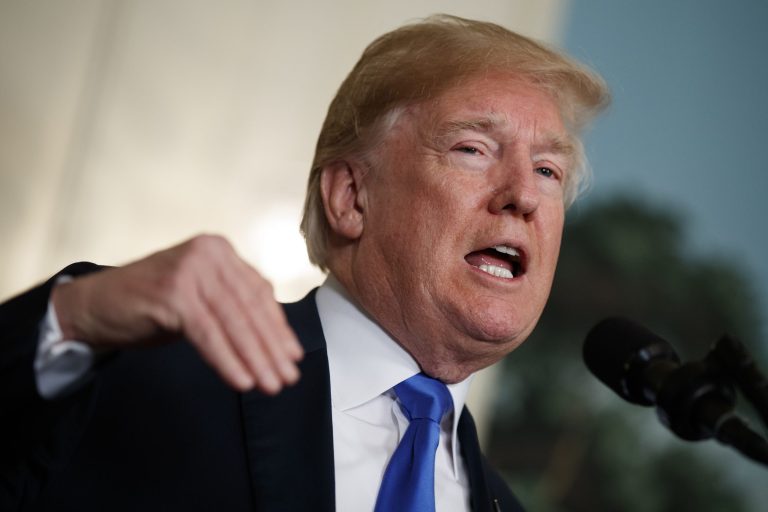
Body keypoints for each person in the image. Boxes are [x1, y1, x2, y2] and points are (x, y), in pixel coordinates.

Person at [0, 14, 609, 512]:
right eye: (473, 148)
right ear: (350, 197)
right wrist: (72, 317)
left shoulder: (502, 505)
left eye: (548, 171)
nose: (524, 196)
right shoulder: (142, 373)